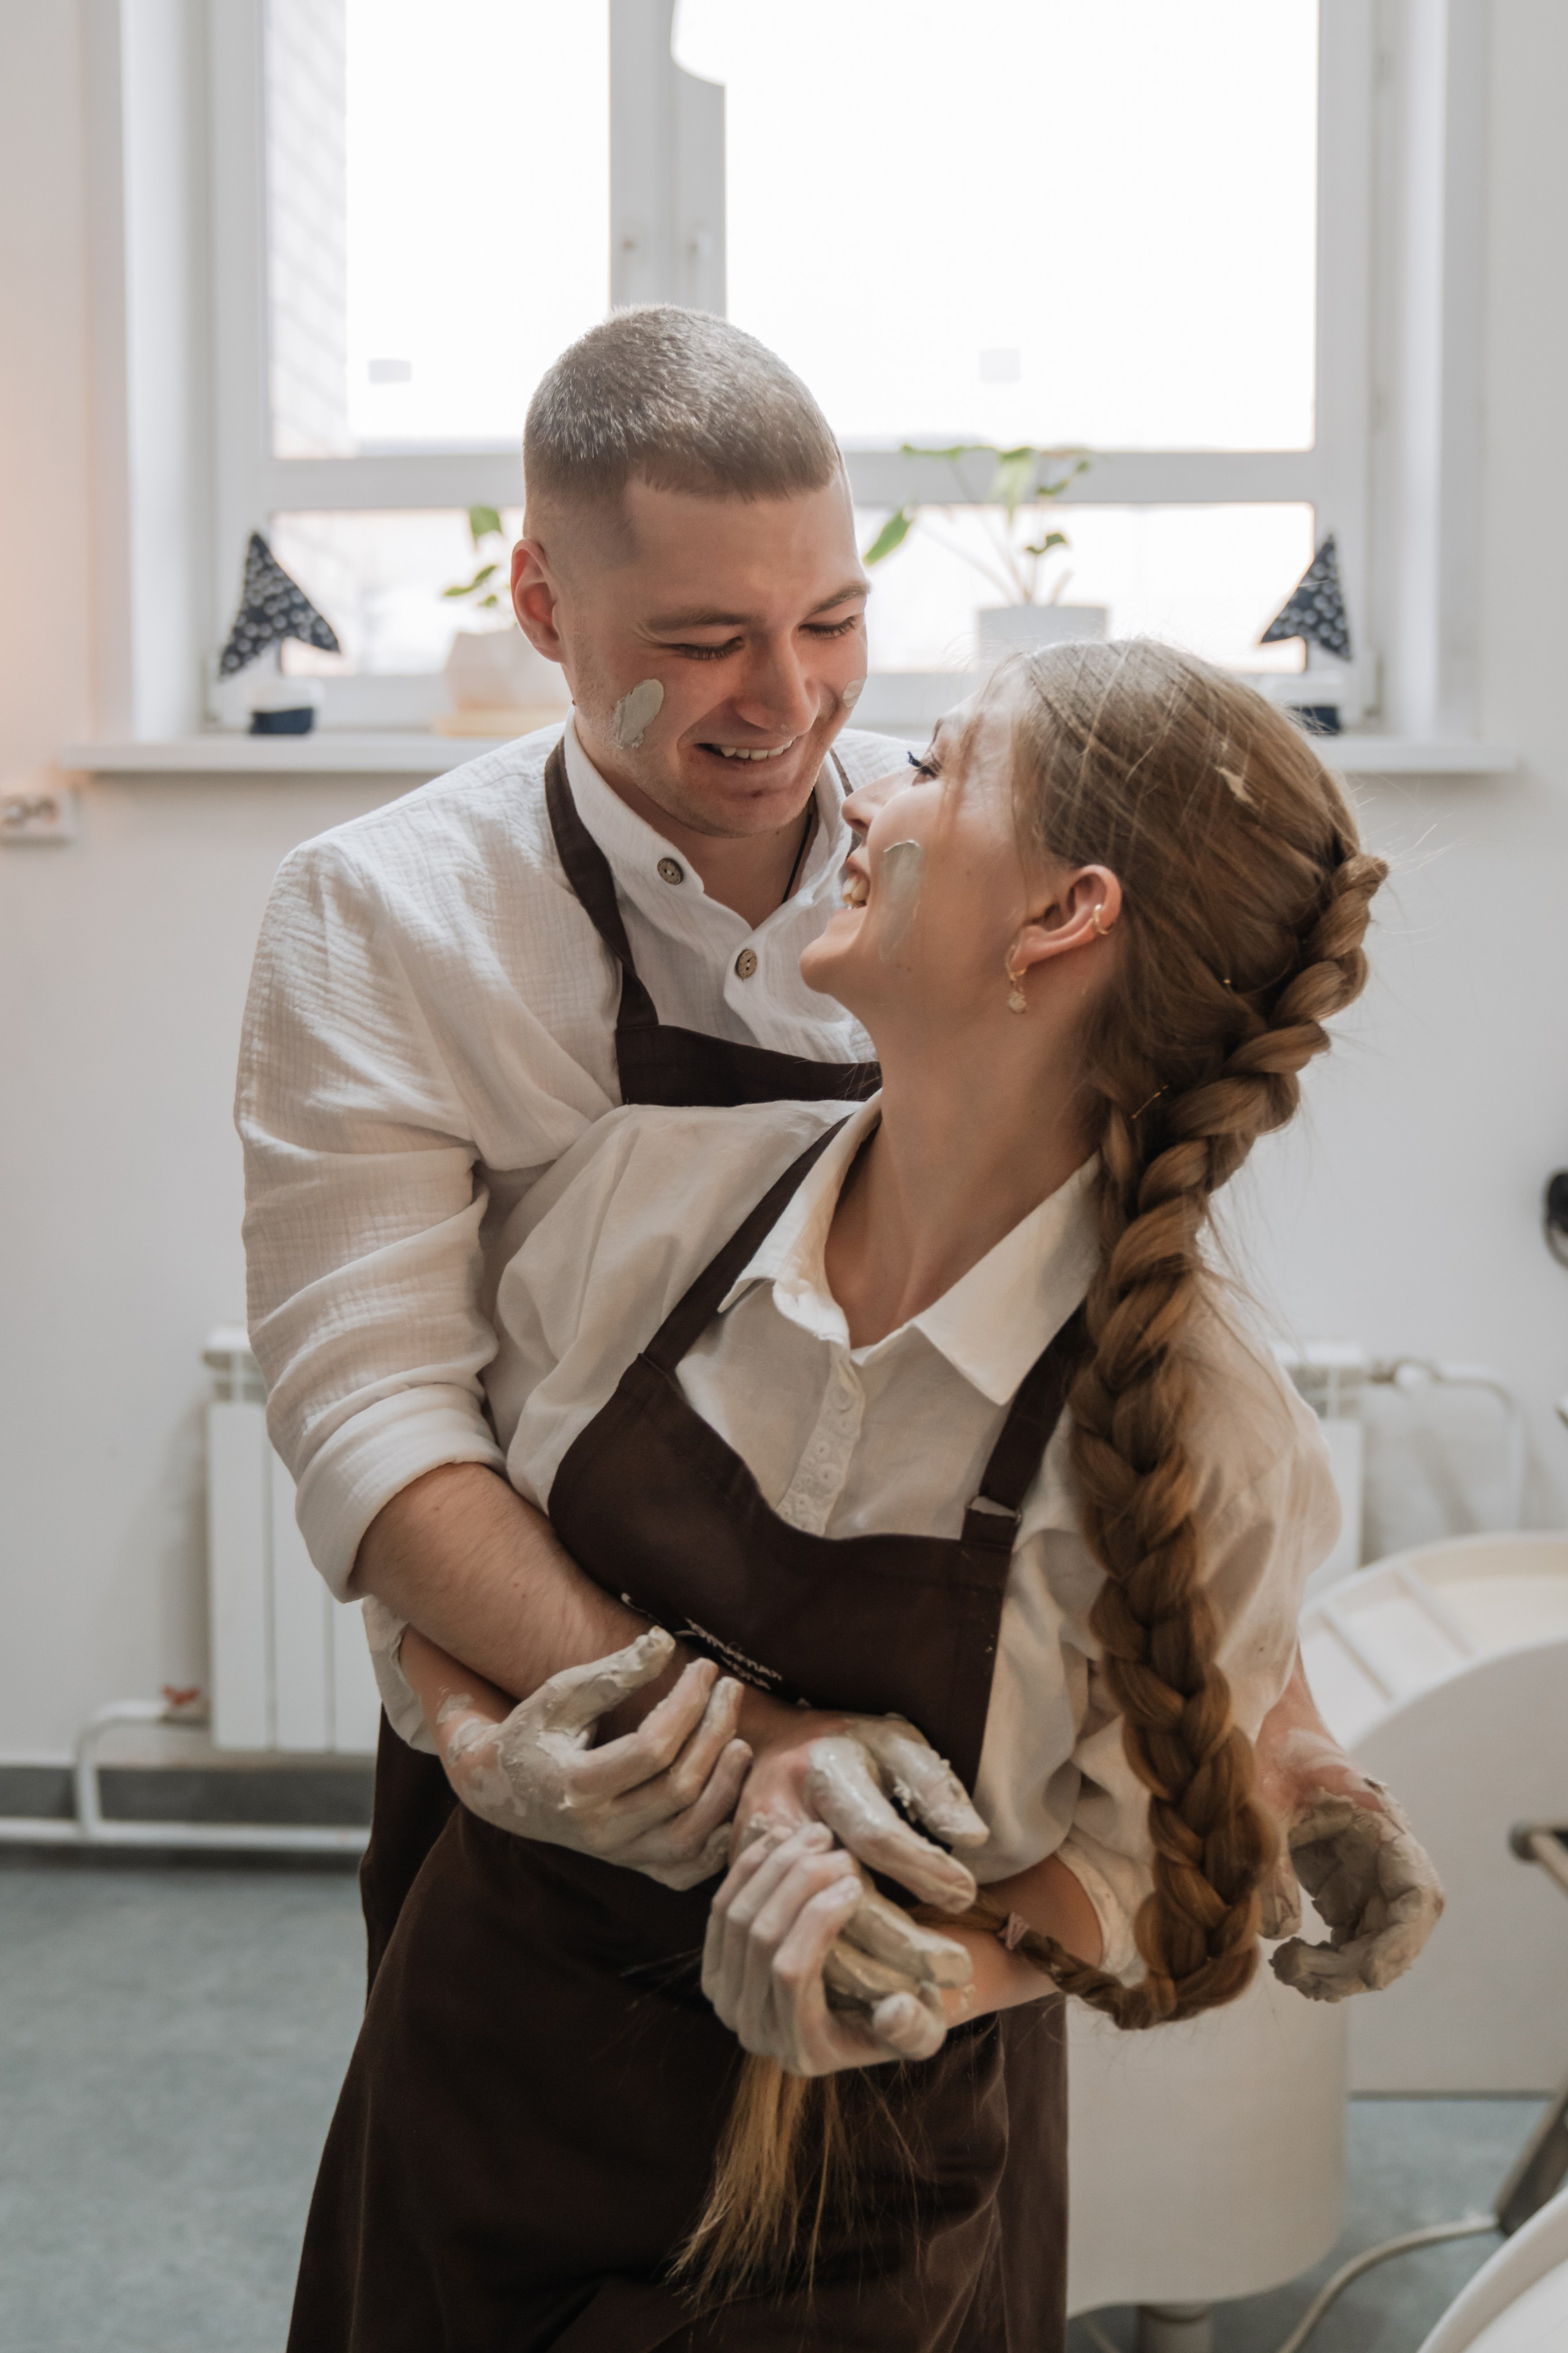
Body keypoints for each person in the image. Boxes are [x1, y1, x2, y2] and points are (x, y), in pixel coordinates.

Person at [238, 308, 1438, 2003]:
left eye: (835, 620)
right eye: (709, 637)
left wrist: (1278, 1732)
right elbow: (380, 1417)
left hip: (932, 1846)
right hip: (568, 1779)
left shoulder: (947, 842)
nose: (794, 706)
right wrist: (703, 1747)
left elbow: (1130, 1313)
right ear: (541, 607)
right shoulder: (387, 919)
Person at [281, 638, 1427, 2351]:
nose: (859, 794)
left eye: (940, 768)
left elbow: (1119, 1872)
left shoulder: (1203, 1436)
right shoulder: (639, 1202)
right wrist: (470, 1731)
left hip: (849, 2216)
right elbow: (424, 1532)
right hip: (487, 2094)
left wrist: (911, 1986)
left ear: (1061, 918)